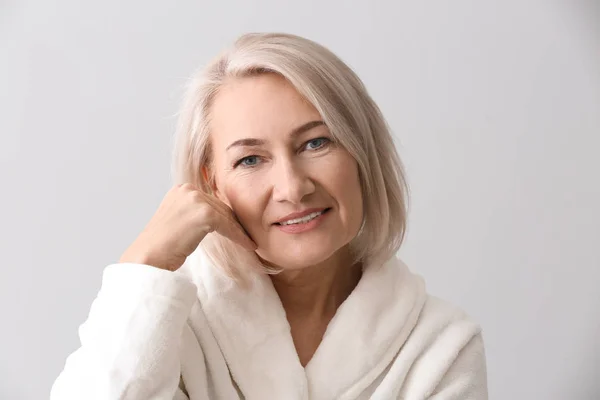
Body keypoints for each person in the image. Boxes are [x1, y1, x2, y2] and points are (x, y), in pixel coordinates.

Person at [50, 32, 488, 399]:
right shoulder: (169, 324)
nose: (293, 187)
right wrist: (145, 262)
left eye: (316, 143)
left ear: (361, 152)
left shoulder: (441, 344)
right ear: (212, 183)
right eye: (250, 160)